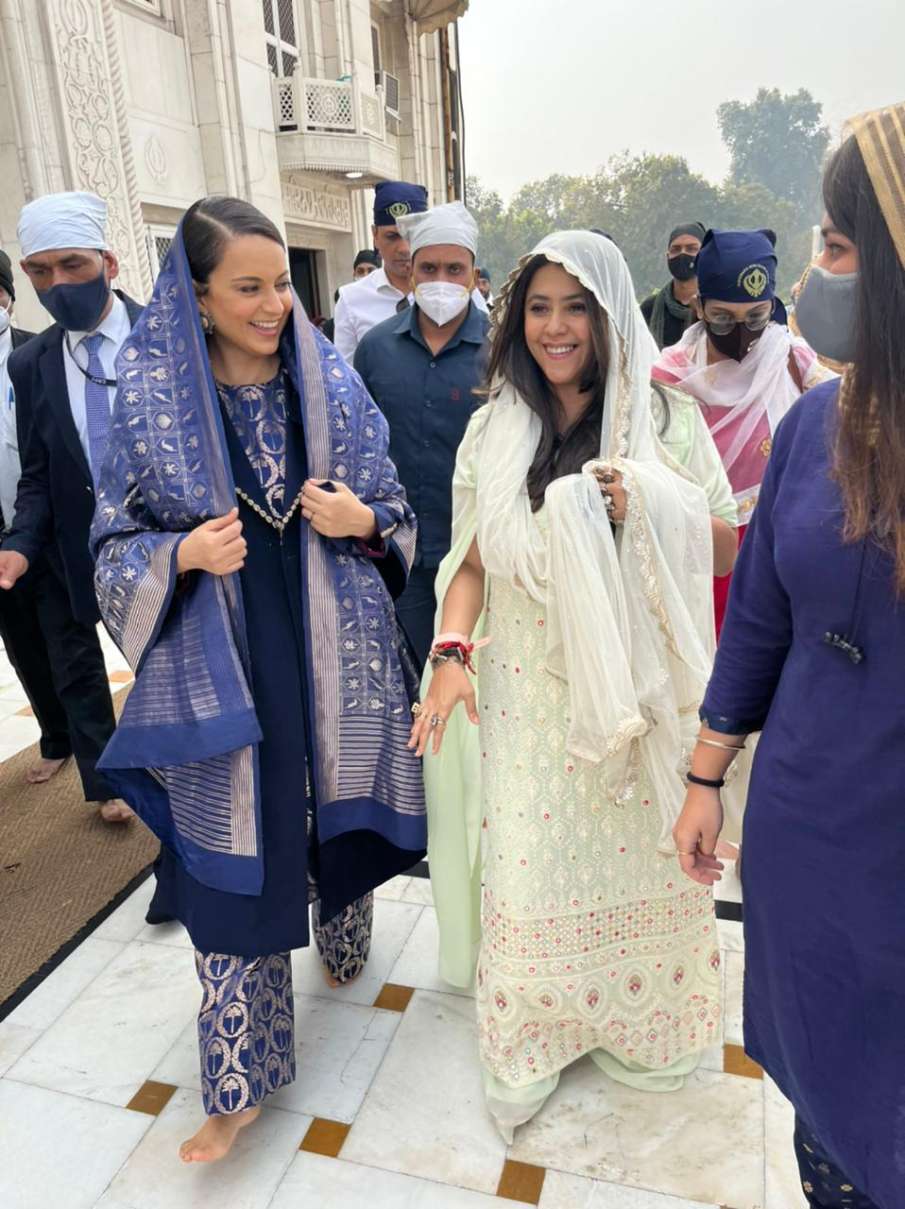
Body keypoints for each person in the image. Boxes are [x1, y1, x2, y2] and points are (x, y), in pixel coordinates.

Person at [90, 196, 426, 1163]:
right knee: (237, 844)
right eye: (249, 287)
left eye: (282, 282)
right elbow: (111, 541)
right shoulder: (149, 402)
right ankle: (237, 1078)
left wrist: (360, 523)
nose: (275, 303)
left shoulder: (329, 385)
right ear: (196, 298)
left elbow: (394, 511)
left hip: (334, 642)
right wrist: (182, 550)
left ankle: (344, 916)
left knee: (333, 800)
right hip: (224, 655)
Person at [412, 230, 721, 1142]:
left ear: (609, 315)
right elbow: (470, 565)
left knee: (641, 866)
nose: (555, 327)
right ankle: (532, 1046)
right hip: (528, 697)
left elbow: (734, 540)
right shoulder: (493, 428)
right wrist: (449, 652)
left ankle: (643, 1029)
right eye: (539, 307)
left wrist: (654, 505)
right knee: (531, 874)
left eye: (575, 306)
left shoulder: (666, 421)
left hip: (635, 698)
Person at [673, 101, 905, 1209]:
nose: (814, 272)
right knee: (824, 1121)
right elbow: (758, 619)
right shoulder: (813, 426)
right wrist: (704, 778)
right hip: (805, 834)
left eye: (838, 244)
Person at [0, 192, 142, 823]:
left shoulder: (167, 337)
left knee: (165, 664)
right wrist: (20, 543)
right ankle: (107, 782)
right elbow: (35, 470)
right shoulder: (29, 363)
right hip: (69, 544)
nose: (56, 284)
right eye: (39, 271)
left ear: (109, 262)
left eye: (72, 265)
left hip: (162, 543)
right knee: (75, 667)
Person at [652, 228, 834, 637]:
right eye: (723, 317)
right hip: (702, 551)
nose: (743, 330)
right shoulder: (669, 377)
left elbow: (848, 407)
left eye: (755, 316)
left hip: (781, 544)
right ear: (699, 307)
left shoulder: (789, 356)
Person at [354, 201, 490, 665]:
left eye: (455, 269)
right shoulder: (376, 349)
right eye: (429, 268)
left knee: (476, 675)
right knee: (411, 671)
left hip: (480, 553)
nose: (442, 281)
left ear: (473, 274)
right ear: (410, 273)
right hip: (401, 552)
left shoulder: (502, 351)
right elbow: (358, 448)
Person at [0, 250, 72, 785]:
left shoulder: (36, 353)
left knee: (72, 644)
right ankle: (55, 738)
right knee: (22, 640)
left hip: (50, 522)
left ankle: (104, 763)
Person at [640, 222, 706, 349]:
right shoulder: (650, 308)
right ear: (668, 256)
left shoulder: (714, 308)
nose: (682, 254)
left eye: (691, 249)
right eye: (675, 249)